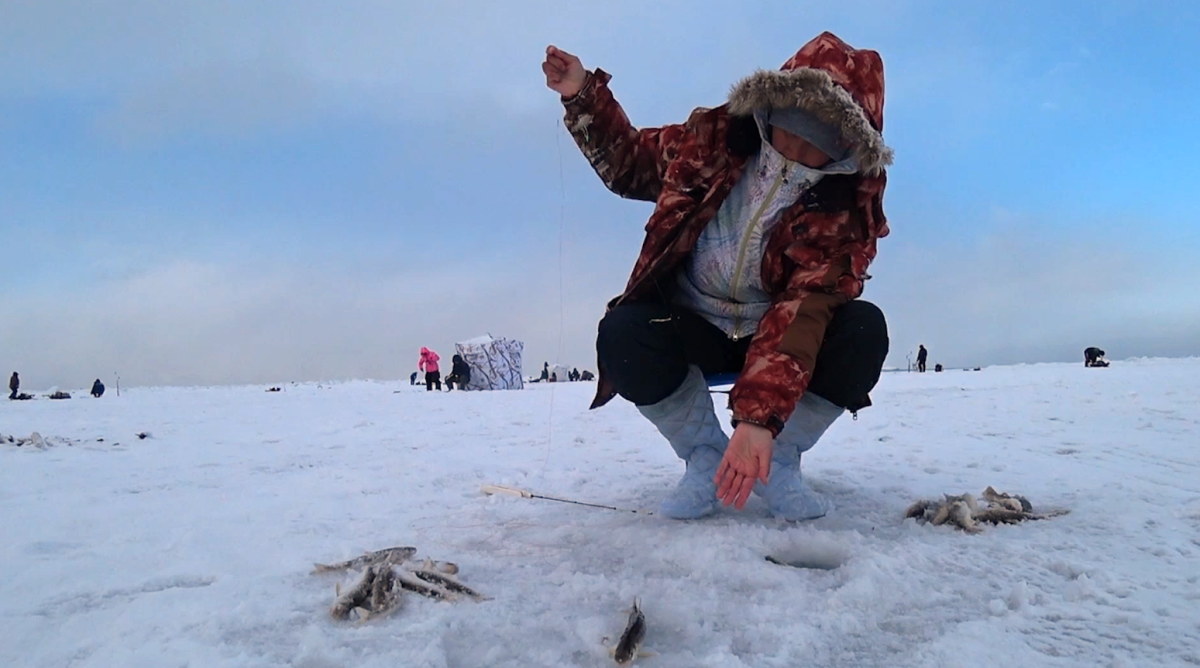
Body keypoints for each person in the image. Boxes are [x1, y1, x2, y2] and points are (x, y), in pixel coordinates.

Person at [544, 31, 892, 521]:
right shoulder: (709, 141)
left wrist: (760, 422)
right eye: (791, 120)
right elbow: (631, 163)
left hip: (776, 333)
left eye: (824, 136)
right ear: (772, 103)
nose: (796, 143)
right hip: (694, 325)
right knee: (623, 333)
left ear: (850, 148)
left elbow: (803, 310)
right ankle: (706, 459)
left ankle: (780, 463)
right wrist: (582, 94)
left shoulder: (847, 211)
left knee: (862, 331)